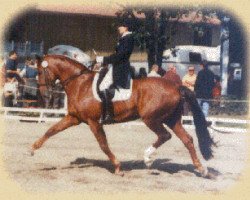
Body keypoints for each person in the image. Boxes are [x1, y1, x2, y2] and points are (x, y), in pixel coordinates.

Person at [95, 18, 135, 124]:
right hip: (116, 66)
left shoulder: (128, 38)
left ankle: (110, 115)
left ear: (125, 27)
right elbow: (116, 56)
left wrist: (103, 59)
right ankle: (105, 114)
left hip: (120, 68)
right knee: (102, 86)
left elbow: (120, 56)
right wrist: (102, 62)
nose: (118, 28)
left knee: (102, 87)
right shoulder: (123, 38)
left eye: (120, 26)